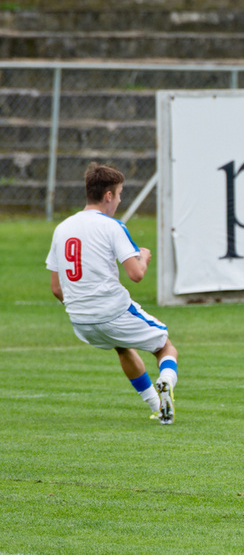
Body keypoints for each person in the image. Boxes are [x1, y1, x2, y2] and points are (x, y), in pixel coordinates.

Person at [46, 163, 178, 425]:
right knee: (165, 347)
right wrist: (144, 256)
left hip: (81, 321)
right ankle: (165, 381)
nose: (119, 200)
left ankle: (158, 407)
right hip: (112, 311)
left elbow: (56, 288)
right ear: (108, 196)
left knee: (122, 346)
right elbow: (136, 274)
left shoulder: (62, 229)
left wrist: (81, 306)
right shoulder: (112, 226)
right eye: (119, 194)